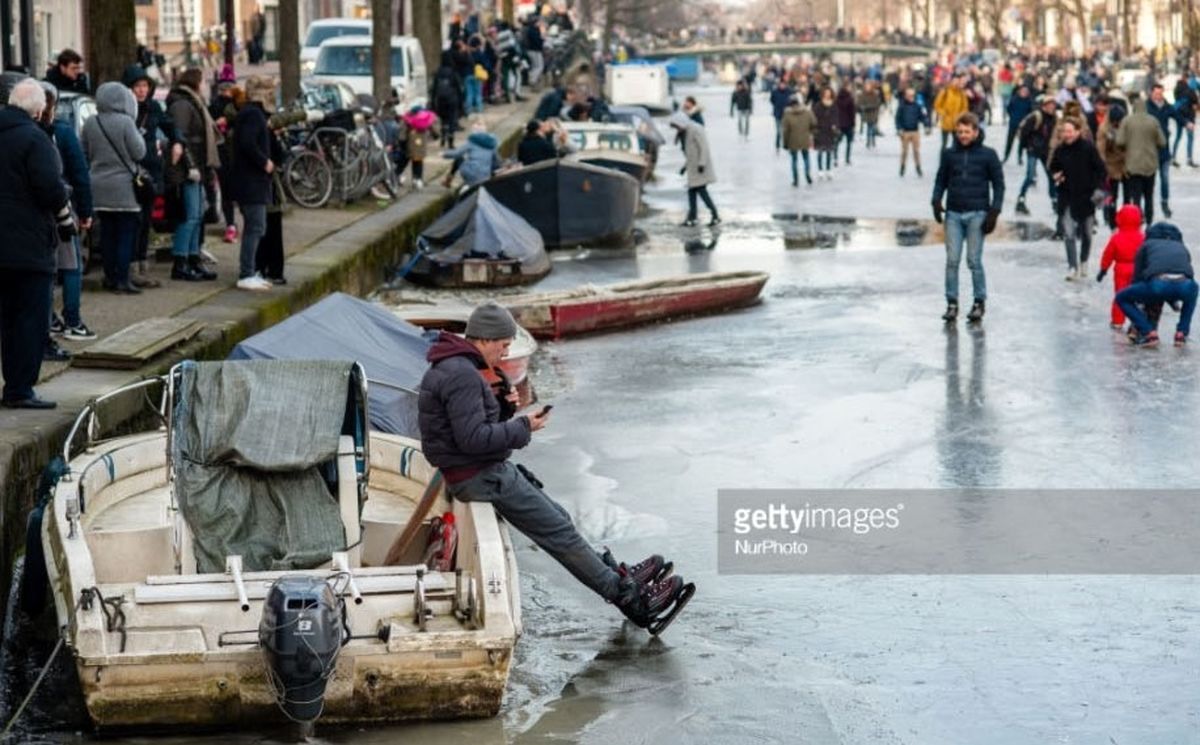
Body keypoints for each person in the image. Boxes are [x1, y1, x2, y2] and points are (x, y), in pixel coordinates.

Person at [417, 301, 690, 632]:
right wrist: (523, 428)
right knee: (559, 535)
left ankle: (616, 573)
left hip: (481, 470)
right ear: (486, 339)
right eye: (503, 346)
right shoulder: (461, 374)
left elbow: (468, 431)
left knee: (559, 518)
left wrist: (503, 408)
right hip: (480, 475)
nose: (503, 355)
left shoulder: (456, 367)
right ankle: (632, 601)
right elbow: (473, 439)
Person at [0, 78, 74, 409]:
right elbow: (50, 188)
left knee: (6, 318)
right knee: (31, 318)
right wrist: (66, 220)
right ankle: (20, 389)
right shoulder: (35, 139)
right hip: (29, 244)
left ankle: (11, 382)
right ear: (39, 109)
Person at [931, 112, 1004, 323]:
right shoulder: (949, 154)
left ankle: (979, 301)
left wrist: (994, 211)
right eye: (959, 132)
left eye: (967, 132)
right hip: (953, 213)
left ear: (975, 132)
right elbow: (940, 180)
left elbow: (999, 185)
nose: (963, 135)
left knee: (973, 260)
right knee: (952, 260)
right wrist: (936, 201)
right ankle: (952, 302)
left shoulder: (988, 155)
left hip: (978, 213)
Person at [81, 81, 147, 294]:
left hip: (98, 185)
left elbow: (85, 153)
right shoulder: (126, 122)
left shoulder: (91, 122)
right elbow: (139, 152)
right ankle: (122, 279)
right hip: (124, 188)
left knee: (107, 234)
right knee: (126, 234)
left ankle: (109, 277)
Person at [42, 82, 95, 342]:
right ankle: (72, 320)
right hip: (62, 208)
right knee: (71, 265)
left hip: (34, 212)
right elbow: (79, 173)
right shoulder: (62, 132)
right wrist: (85, 211)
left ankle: (49, 318)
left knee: (46, 269)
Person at [167, 67, 222, 281]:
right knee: (190, 216)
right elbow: (180, 138)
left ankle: (192, 258)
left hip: (198, 166)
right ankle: (180, 261)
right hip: (188, 170)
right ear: (195, 83)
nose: (206, 85)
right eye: (204, 81)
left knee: (197, 215)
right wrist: (190, 166)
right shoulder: (182, 104)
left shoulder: (193, 103)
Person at [122, 63, 171, 288]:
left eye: (144, 86)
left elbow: (169, 126)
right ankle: (132, 265)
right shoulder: (125, 110)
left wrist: (178, 141)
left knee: (146, 220)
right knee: (135, 221)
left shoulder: (154, 108)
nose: (142, 91)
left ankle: (142, 264)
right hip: (131, 171)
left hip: (150, 171)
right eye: (137, 86)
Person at [229, 76, 278, 292]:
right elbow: (247, 143)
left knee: (256, 226)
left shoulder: (250, 113)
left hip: (250, 180)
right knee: (255, 226)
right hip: (252, 181)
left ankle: (249, 271)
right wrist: (264, 161)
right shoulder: (253, 115)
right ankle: (246, 273)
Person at [1115, 222, 1198, 347]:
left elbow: (1138, 277)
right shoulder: (1181, 247)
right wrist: (1172, 300)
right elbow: (1184, 272)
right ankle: (1181, 333)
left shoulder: (1146, 246)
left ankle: (1148, 332)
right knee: (1193, 290)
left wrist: (1141, 298)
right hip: (1185, 284)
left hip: (1158, 284)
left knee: (1121, 298)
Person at [1048, 116, 1106, 280]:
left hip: (1086, 197)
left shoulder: (1088, 148)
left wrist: (1098, 188)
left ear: (1078, 132)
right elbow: (1053, 167)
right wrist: (1056, 175)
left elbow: (1101, 170)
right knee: (1069, 233)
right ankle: (1072, 267)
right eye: (1065, 131)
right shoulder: (1060, 150)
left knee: (1087, 233)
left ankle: (1084, 261)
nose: (1067, 135)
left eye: (1070, 131)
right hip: (1066, 196)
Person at [1117, 97, 1166, 225]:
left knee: (1136, 197)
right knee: (1149, 196)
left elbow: (1120, 141)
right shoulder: (1153, 121)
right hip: (1150, 164)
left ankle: (1137, 222)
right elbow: (1162, 142)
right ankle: (1149, 222)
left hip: (1133, 165)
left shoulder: (1127, 121)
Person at [1145, 84, 1190, 218]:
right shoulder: (1147, 107)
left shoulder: (1166, 106)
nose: (1159, 96)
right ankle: (1149, 206)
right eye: (1157, 93)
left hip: (1164, 150)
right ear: (1151, 93)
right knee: (1149, 180)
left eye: (1161, 93)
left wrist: (1187, 123)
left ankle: (1165, 203)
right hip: (1150, 150)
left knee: (1165, 179)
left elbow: (1177, 116)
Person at [1097, 204, 1144, 329]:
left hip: (1121, 270)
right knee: (1138, 297)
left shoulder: (1116, 238)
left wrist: (1103, 269)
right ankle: (1137, 322)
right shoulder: (1143, 238)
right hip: (1138, 271)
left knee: (1120, 296)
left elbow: (1108, 254)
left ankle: (1118, 321)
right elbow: (1148, 254)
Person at [669, 111, 719, 227]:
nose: (677, 129)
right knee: (692, 192)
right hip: (694, 169)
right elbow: (690, 154)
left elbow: (703, 147)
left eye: (676, 126)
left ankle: (714, 215)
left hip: (700, 168)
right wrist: (684, 168)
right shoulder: (686, 131)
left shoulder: (696, 129)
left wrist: (701, 163)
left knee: (701, 192)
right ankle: (693, 217)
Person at [1014, 95, 1058, 215]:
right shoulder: (1036, 116)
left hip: (1045, 151)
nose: (1051, 107)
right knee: (1030, 176)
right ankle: (1021, 199)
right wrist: (1022, 151)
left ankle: (1055, 200)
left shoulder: (1054, 118)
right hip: (1033, 150)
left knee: (1051, 175)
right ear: (1044, 106)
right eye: (1049, 105)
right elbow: (1024, 134)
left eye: (1053, 105)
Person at [1096, 96, 1127, 229]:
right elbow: (1101, 150)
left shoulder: (1125, 126)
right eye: (1115, 122)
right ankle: (1111, 220)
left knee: (1127, 197)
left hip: (1125, 165)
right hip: (1111, 166)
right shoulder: (1104, 129)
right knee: (1111, 196)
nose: (1117, 124)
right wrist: (1103, 169)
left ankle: (1126, 219)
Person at [443, 120, 501, 187]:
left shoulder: (471, 142)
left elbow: (457, 153)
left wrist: (444, 154)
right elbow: (497, 161)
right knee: (493, 161)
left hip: (470, 174)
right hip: (485, 176)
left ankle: (448, 180)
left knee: (459, 158)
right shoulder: (492, 144)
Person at [400, 106, 439, 189]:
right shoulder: (426, 119)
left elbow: (402, 134)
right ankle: (417, 179)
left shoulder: (408, 119)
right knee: (418, 162)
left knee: (404, 160)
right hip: (421, 144)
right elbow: (434, 131)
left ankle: (397, 175)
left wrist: (401, 142)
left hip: (410, 142)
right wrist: (436, 135)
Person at [430, 52, 464, 148]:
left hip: (441, 100)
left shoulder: (438, 72)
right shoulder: (453, 72)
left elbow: (434, 89)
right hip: (452, 99)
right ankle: (451, 141)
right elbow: (458, 88)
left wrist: (433, 102)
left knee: (444, 120)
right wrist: (461, 102)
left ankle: (443, 137)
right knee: (452, 119)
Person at [780, 95, 815, 186]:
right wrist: (810, 133)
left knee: (794, 160)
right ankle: (807, 174)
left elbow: (785, 131)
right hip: (805, 139)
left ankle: (795, 179)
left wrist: (785, 143)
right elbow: (814, 123)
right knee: (806, 158)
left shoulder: (787, 115)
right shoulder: (807, 112)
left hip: (792, 140)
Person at [895, 87, 928, 177]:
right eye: (909, 95)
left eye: (912, 95)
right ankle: (902, 167)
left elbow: (922, 117)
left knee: (916, 151)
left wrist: (926, 124)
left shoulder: (917, 106)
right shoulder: (901, 106)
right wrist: (899, 128)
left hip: (915, 131)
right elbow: (897, 118)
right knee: (904, 151)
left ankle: (918, 167)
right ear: (906, 96)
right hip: (905, 131)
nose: (911, 97)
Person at [933, 75, 969, 150]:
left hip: (957, 122)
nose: (956, 83)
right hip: (946, 121)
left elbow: (965, 107)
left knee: (956, 143)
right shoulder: (945, 91)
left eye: (957, 81)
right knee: (944, 144)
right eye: (954, 81)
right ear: (951, 82)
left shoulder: (961, 93)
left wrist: (961, 116)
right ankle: (943, 160)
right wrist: (943, 113)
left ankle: (954, 160)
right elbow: (937, 104)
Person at [812, 87, 839, 180]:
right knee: (820, 151)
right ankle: (820, 170)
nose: (827, 94)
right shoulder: (818, 105)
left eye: (829, 93)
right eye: (826, 93)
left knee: (829, 151)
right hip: (820, 130)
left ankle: (828, 170)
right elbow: (814, 117)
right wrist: (815, 128)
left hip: (830, 131)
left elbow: (836, 116)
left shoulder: (834, 105)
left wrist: (835, 125)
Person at [1003, 84, 1033, 163]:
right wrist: (1012, 116)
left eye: (1026, 92)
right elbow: (1009, 109)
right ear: (1019, 91)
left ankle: (1019, 157)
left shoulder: (1029, 101)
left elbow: (1030, 112)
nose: (1024, 93)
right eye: (1023, 91)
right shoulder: (1014, 99)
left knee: (1022, 142)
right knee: (1010, 141)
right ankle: (1006, 156)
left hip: (1023, 125)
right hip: (1013, 122)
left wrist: (1025, 121)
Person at [1172, 76, 1198, 167]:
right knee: (1190, 138)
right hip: (1189, 118)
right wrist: (1192, 119)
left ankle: (1173, 157)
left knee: (1178, 137)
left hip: (1179, 117)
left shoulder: (1176, 90)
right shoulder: (1190, 91)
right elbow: (1195, 106)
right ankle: (1189, 159)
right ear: (1187, 80)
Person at [856, 80, 883, 149]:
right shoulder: (862, 95)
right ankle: (868, 141)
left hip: (873, 114)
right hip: (867, 114)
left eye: (869, 86)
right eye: (866, 86)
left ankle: (873, 140)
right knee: (869, 128)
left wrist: (868, 106)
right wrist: (863, 107)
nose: (867, 88)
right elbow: (859, 104)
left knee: (872, 127)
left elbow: (877, 103)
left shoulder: (875, 94)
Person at [834, 83, 856, 165]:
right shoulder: (850, 99)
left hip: (839, 124)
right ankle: (847, 159)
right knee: (849, 142)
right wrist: (854, 124)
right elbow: (852, 113)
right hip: (848, 124)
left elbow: (834, 112)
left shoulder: (837, 99)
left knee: (837, 142)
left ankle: (835, 158)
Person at [769, 77, 792, 151]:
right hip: (778, 114)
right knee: (779, 131)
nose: (782, 86)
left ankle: (787, 144)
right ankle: (777, 145)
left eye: (783, 84)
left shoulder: (789, 92)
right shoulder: (775, 92)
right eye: (781, 84)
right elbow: (772, 100)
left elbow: (791, 101)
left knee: (786, 131)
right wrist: (776, 105)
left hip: (787, 114)